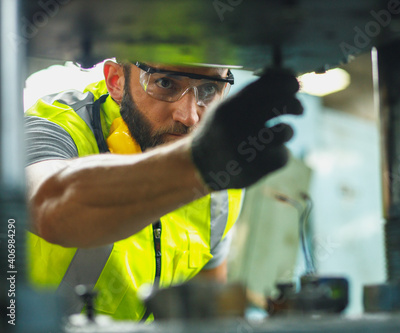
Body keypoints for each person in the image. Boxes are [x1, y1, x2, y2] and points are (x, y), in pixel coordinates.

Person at [24, 59, 302, 321]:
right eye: (165, 83)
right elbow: (48, 205)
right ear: (116, 81)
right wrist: (197, 163)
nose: (189, 117)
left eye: (209, 89)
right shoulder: (57, 126)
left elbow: (207, 306)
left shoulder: (221, 182)